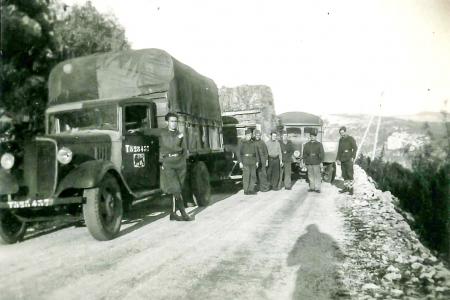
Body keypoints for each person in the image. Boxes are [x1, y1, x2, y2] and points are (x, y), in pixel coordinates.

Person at [159, 112, 194, 221]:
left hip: (180, 164)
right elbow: (148, 131)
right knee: (176, 189)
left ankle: (173, 213)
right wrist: (137, 130)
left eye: (175, 121)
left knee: (178, 189)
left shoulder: (180, 134)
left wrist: (183, 164)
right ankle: (184, 214)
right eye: (171, 121)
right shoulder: (161, 132)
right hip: (168, 163)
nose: (174, 123)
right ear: (167, 122)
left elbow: (184, 150)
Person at [336, 126, 357, 195]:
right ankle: (346, 188)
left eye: (343, 132)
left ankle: (351, 189)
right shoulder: (340, 140)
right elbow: (339, 150)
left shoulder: (350, 139)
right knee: (344, 174)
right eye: (340, 133)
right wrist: (338, 159)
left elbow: (355, 148)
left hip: (349, 159)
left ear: (345, 131)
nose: (342, 134)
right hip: (342, 159)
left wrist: (353, 157)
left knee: (350, 174)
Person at [238, 128, 260, 195]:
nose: (249, 136)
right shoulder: (242, 143)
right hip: (245, 161)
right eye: (247, 135)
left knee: (253, 176)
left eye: (250, 135)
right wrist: (240, 162)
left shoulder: (254, 143)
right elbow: (238, 153)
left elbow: (256, 153)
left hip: (253, 161)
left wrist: (257, 161)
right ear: (245, 135)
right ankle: (246, 190)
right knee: (246, 176)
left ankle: (251, 189)